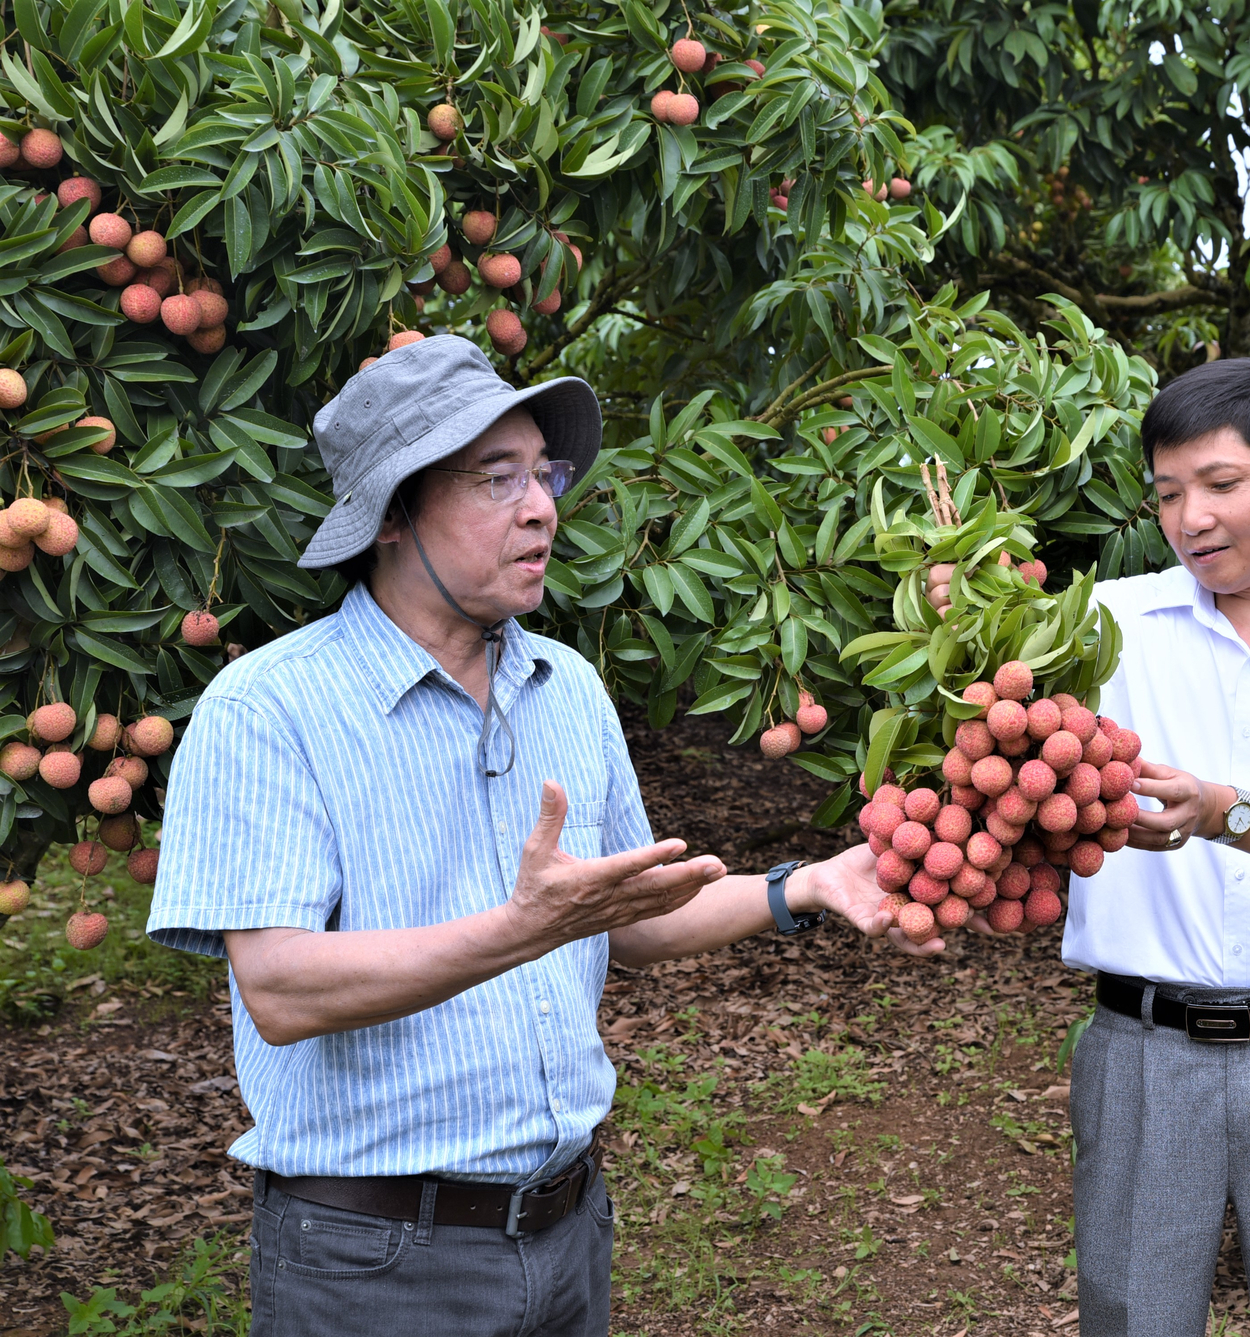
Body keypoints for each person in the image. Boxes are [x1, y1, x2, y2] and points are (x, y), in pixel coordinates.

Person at [146, 336, 935, 1337]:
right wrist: (524, 927)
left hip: (566, 1231)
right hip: (371, 1259)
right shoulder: (269, 707)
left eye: (545, 473)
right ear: (392, 512)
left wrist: (803, 885)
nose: (542, 505)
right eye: (496, 478)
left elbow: (628, 919)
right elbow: (282, 987)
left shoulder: (564, 682)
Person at [930, 357, 1250, 1336]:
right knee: (1132, 1319)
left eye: (1219, 485)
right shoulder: (1102, 626)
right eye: (1167, 494)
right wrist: (965, 616)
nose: (1190, 518)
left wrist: (1220, 809)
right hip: (1144, 1051)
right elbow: (995, 720)